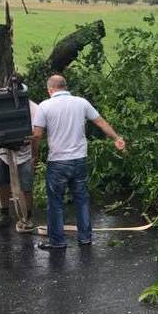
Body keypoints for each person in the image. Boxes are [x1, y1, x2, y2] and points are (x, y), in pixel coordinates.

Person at [31, 75, 126, 250]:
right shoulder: (81, 103)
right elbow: (100, 122)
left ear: (50, 90)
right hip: (79, 159)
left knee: (56, 202)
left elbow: (37, 135)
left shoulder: (45, 106)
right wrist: (116, 138)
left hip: (58, 162)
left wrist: (34, 157)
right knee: (81, 200)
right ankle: (85, 238)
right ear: (65, 86)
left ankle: (57, 241)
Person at [0, 98, 39, 232]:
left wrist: (34, 156)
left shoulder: (33, 108)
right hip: (4, 153)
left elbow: (36, 134)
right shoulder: (2, 104)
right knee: (2, 182)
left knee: (26, 187)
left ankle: (27, 218)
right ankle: (5, 215)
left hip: (23, 154)